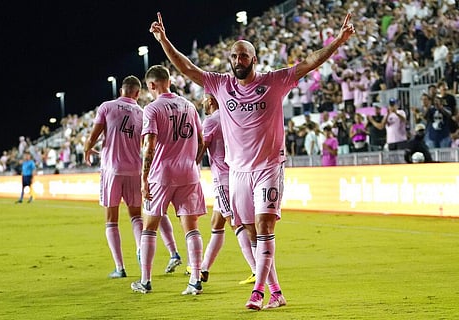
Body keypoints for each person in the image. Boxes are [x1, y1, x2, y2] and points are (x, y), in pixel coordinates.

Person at [149, 11, 355, 310]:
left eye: (243, 56)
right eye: (234, 56)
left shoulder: (274, 81)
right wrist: (164, 40)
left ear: (254, 59)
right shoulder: (219, 84)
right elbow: (187, 68)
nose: (238, 60)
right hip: (237, 172)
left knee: (264, 225)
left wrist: (338, 40)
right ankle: (276, 292)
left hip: (269, 167)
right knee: (246, 230)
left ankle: (257, 292)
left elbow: (310, 62)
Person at [130, 65, 207, 296]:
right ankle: (195, 280)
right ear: (170, 80)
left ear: (151, 85)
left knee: (149, 228)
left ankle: (145, 281)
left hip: (162, 175)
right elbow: (202, 141)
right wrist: (191, 162)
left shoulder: (152, 109)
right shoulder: (189, 106)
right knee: (191, 229)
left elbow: (149, 147)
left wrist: (144, 179)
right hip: (188, 174)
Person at [84, 75, 145, 279]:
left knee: (112, 220)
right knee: (136, 216)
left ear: (121, 90)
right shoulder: (143, 113)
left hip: (112, 169)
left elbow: (94, 135)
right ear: (137, 93)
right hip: (135, 170)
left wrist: (87, 149)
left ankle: (120, 267)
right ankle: (140, 251)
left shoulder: (107, 107)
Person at [194, 92, 256, 285]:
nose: (202, 102)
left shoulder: (211, 121)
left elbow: (202, 147)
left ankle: (257, 270)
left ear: (211, 100)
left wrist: (189, 165)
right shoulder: (232, 116)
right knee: (217, 223)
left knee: (235, 223)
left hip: (223, 178)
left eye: (204, 98)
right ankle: (203, 269)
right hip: (239, 175)